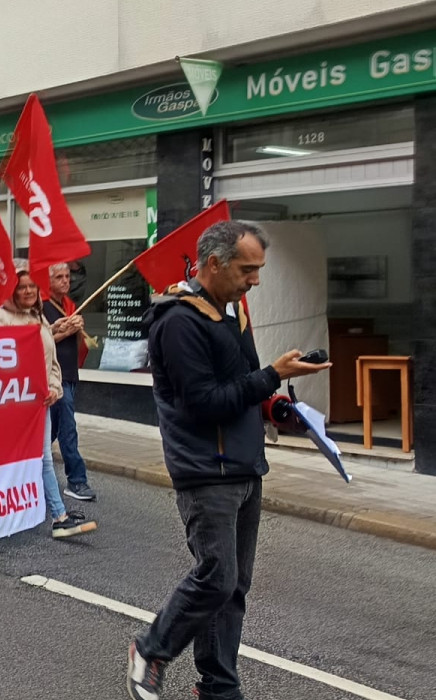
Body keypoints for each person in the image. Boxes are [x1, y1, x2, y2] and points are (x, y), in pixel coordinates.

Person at [127, 221, 330, 700]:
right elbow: (203, 403)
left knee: (233, 587)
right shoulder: (178, 321)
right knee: (216, 576)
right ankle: (151, 649)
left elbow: (242, 388)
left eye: (259, 269)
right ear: (214, 263)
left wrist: (279, 408)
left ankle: (218, 688)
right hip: (204, 470)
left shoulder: (231, 313)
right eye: (248, 269)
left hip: (243, 464)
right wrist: (270, 375)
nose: (255, 280)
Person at [0, 261, 97, 542]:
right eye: (22, 287)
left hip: (39, 404)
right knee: (2, 460)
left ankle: (59, 517)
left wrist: (54, 389)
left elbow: (52, 361)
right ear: (11, 290)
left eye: (32, 286)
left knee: (44, 458)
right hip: (11, 407)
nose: (28, 291)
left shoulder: (39, 318)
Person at [42, 263, 95, 502]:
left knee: (52, 430)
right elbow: (40, 342)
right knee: (67, 429)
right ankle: (76, 480)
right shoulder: (41, 308)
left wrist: (76, 329)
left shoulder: (69, 305)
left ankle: (30, 471)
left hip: (70, 374)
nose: (66, 281)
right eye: (59, 277)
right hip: (54, 377)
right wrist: (66, 331)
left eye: (67, 277)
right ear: (48, 281)